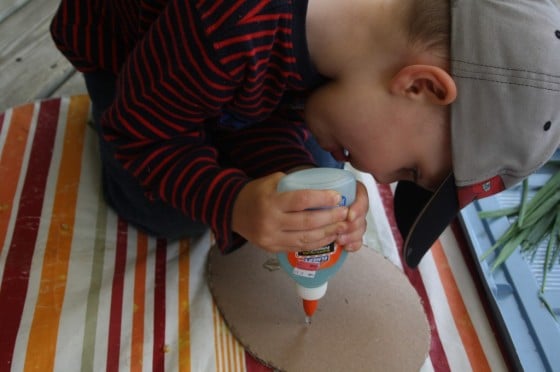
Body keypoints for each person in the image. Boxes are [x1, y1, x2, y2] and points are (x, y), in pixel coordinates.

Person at [50, 0, 560, 266]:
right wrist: (230, 203)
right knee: (169, 214)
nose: (379, 178)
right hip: (129, 54)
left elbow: (279, 99)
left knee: (315, 170)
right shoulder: (229, 20)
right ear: (420, 85)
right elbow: (141, 134)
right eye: (407, 170)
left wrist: (289, 175)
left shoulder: (356, 36)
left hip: (220, 73)